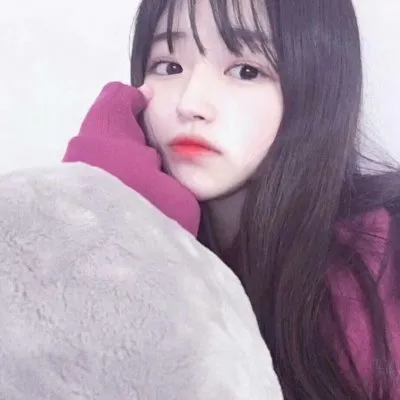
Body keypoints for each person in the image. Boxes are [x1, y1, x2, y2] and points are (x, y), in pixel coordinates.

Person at [64, 0, 400, 398]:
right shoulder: (154, 244)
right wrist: (107, 217)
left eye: (246, 71)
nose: (190, 103)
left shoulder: (383, 251)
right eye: (169, 66)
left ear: (319, 88)